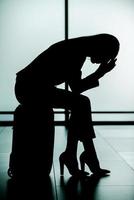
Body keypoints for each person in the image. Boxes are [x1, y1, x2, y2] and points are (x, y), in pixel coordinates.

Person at [15, 33, 120, 177]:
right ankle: (82, 155)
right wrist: (100, 73)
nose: (104, 61)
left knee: (81, 103)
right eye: (106, 56)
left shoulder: (77, 49)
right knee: (82, 103)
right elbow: (77, 88)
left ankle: (78, 155)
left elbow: (76, 87)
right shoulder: (75, 52)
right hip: (29, 89)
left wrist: (100, 72)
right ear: (101, 48)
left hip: (32, 87)